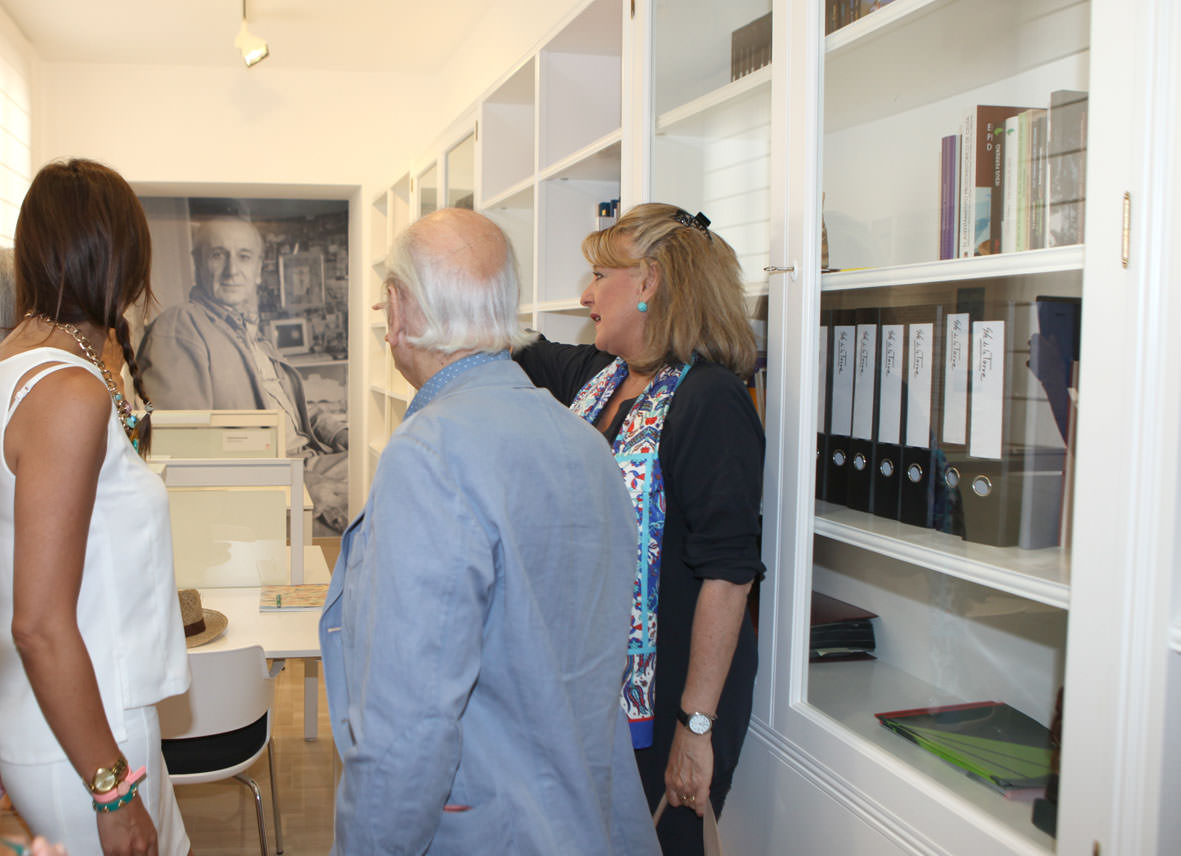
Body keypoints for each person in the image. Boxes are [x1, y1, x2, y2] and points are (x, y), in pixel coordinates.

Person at [319, 208, 659, 855]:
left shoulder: (430, 454)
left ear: (400, 310)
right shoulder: (585, 443)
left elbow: (407, 727)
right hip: (584, 823)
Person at [515, 202, 765, 855]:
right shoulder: (601, 381)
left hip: (677, 693)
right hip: (600, 685)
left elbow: (729, 575)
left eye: (601, 276)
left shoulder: (709, 400)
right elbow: (524, 350)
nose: (586, 295)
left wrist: (695, 726)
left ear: (650, 281)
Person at [0, 159, 191, 854]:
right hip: (90, 734)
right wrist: (112, 789)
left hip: (63, 717)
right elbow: (40, 625)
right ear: (119, 258)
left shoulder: (22, 366)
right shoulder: (66, 393)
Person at [136, 215, 349, 533]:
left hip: (308, 460)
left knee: (386, 462)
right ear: (197, 262)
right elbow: (182, 448)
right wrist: (297, 481)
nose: (232, 270)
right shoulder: (180, 328)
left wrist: (341, 434)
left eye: (244, 256)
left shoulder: (249, 332)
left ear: (258, 269)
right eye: (217, 255)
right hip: (265, 482)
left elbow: (296, 410)